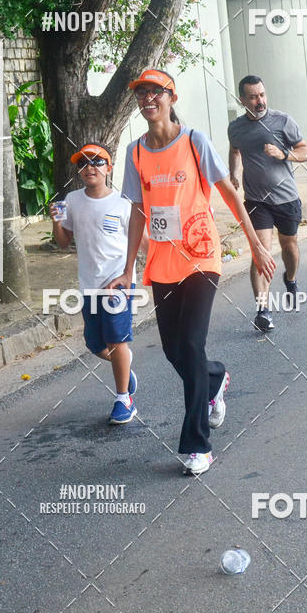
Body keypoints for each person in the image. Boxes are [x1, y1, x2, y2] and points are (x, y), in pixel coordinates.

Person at [108, 68, 275, 477]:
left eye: (156, 93)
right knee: (174, 350)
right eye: (142, 94)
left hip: (201, 258)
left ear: (172, 98)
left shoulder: (194, 141)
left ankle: (197, 444)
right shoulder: (135, 153)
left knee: (193, 345)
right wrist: (128, 268)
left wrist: (255, 244)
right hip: (162, 263)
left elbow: (230, 193)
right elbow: (136, 211)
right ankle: (215, 380)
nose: (148, 100)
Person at [50, 143, 145, 425]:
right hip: (88, 284)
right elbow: (64, 243)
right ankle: (124, 365)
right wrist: (56, 222)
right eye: (83, 163)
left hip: (117, 283)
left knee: (116, 340)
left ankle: (123, 399)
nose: (90, 167)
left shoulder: (123, 202)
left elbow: (141, 242)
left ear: (109, 168)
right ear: (79, 171)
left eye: (97, 161)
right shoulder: (73, 200)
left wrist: (134, 272)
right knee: (94, 343)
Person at [228, 75, 307, 333]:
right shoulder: (236, 128)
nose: (259, 101)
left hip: (286, 198)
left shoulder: (283, 121)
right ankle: (263, 310)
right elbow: (235, 149)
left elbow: (305, 151)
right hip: (256, 200)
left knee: (290, 248)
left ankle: (291, 278)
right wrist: (233, 173)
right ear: (242, 100)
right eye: (253, 96)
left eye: (262, 94)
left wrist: (283, 154)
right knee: (260, 251)